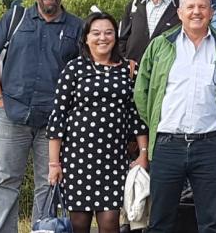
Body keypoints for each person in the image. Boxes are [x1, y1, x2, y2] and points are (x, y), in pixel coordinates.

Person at [0, 0, 84, 233]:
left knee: (48, 181)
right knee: (6, 180)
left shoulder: (77, 27)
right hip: (12, 113)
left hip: (54, 121)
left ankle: (43, 230)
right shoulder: (15, 18)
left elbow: (86, 70)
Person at [133, 0, 216, 233]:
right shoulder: (160, 46)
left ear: (211, 12)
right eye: (190, 7)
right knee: (160, 221)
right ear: (179, 12)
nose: (196, 12)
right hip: (168, 143)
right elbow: (142, 92)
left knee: (213, 222)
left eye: (202, 7)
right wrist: (157, 122)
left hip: (210, 146)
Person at [46, 12, 149, 233]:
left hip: (113, 159)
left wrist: (143, 153)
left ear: (116, 37)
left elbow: (137, 115)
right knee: (79, 224)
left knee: (111, 223)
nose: (103, 38)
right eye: (96, 33)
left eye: (108, 32)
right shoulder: (74, 69)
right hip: (77, 159)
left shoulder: (128, 70)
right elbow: (58, 117)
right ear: (86, 38)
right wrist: (54, 164)